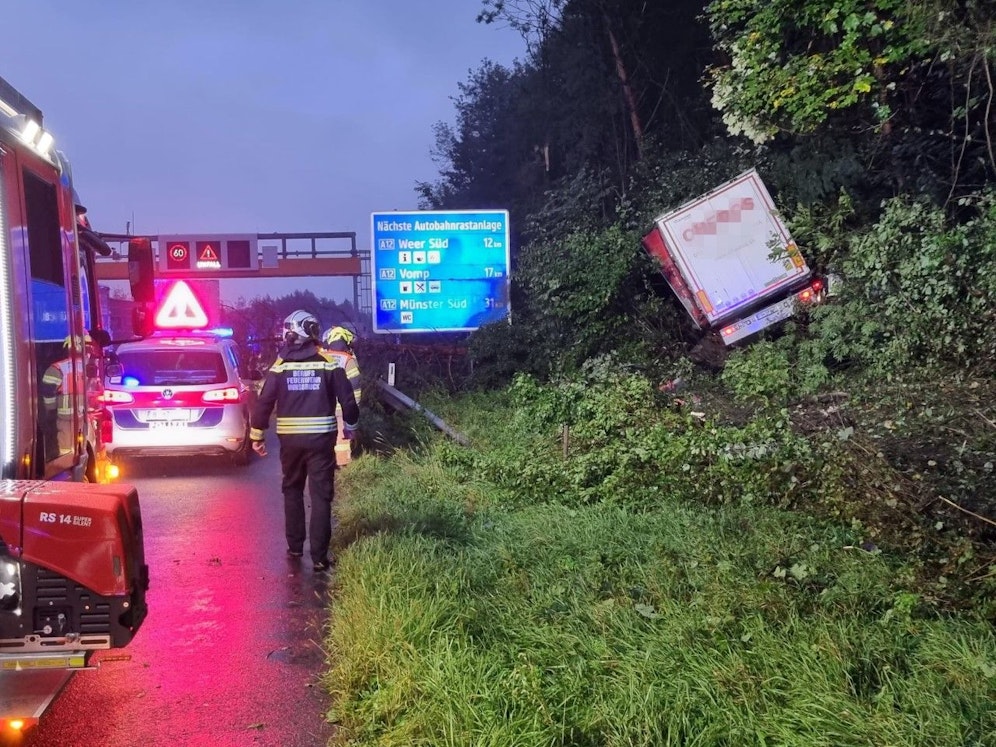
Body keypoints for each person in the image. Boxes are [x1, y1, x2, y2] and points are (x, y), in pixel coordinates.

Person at [249, 310, 359, 572]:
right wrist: (351, 427)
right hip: (321, 442)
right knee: (321, 496)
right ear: (309, 332)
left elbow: (264, 402)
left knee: (292, 490)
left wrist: (257, 435)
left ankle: (295, 547)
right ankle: (319, 558)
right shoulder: (328, 364)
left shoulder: (280, 367)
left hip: (290, 443)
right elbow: (349, 401)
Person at [320, 325, 363, 463]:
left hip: (321, 410)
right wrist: (354, 414)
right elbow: (355, 387)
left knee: (325, 440)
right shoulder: (348, 360)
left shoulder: (321, 358)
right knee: (342, 444)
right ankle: (342, 469)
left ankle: (325, 463)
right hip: (342, 412)